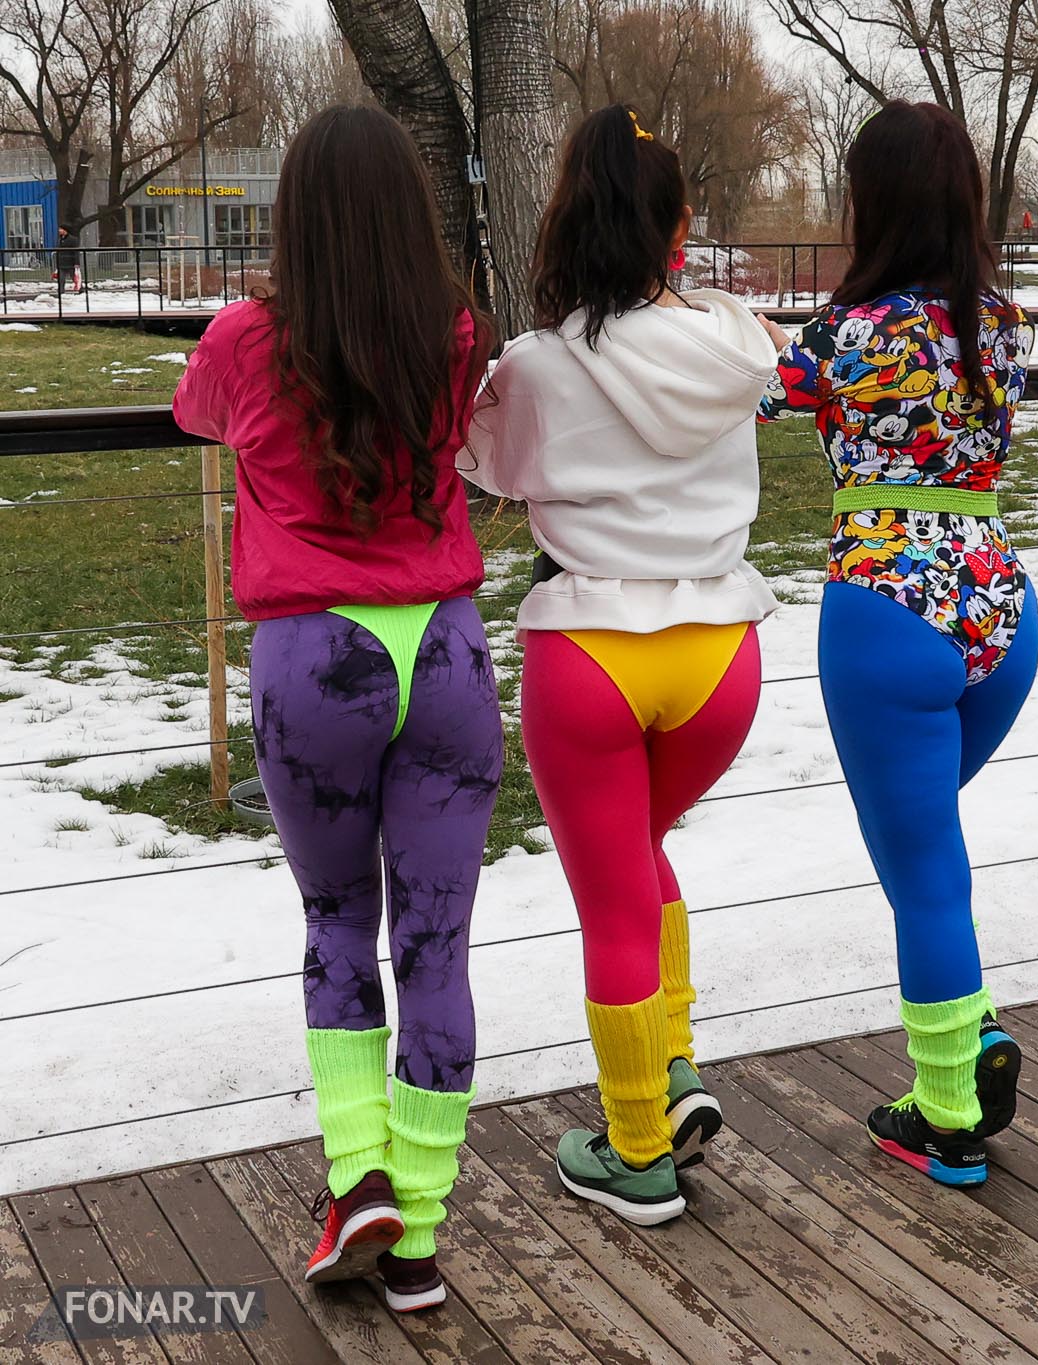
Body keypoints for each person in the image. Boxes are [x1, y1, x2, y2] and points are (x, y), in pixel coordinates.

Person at [171, 105, 500, 1314]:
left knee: (336, 925)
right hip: (446, 651)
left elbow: (194, 414)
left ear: (292, 219)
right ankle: (419, 1231)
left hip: (316, 658)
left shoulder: (244, 341)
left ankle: (358, 1176)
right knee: (436, 945)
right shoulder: (452, 334)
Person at [462, 105, 778, 1226]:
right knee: (641, 854)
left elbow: (483, 462)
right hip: (721, 652)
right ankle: (673, 1065)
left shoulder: (537, 367)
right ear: (677, 230)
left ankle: (636, 1148)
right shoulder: (735, 344)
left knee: (610, 901)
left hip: (590, 649)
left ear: (565, 222)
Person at [759, 99, 1036, 1188]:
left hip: (887, 607)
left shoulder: (841, 335)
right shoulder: (1004, 322)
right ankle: (969, 1031)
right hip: (998, 604)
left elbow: (758, 396)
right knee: (927, 852)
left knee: (921, 872)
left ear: (869, 203)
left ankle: (948, 1114)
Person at [51, 224, 81, 294]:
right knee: (61, 279)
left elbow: (76, 252)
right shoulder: (60, 239)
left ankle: (80, 289)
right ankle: (61, 291)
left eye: (61, 229)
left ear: (65, 230)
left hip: (70, 263)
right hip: (61, 263)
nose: (59, 231)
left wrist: (76, 263)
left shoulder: (73, 239)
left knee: (74, 277)